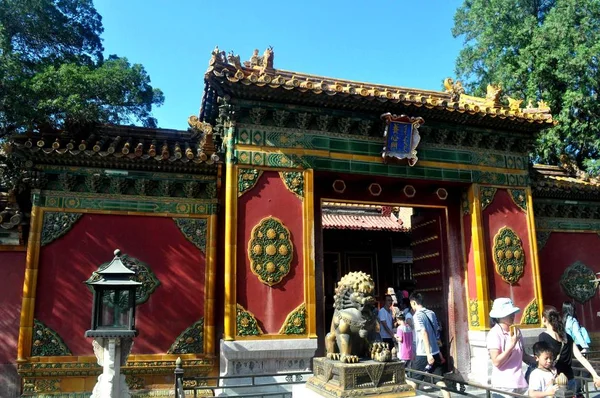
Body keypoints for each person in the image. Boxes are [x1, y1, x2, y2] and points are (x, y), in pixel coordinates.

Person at [538, 306, 600, 393]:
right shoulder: (567, 337)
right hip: (570, 379)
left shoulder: (543, 337)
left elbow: (543, 359)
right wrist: (594, 374)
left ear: (544, 319)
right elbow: (580, 357)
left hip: (554, 382)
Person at [487, 298, 534, 396]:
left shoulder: (516, 331)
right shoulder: (494, 333)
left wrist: (540, 360)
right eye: (508, 314)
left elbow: (523, 356)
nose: (512, 316)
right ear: (499, 316)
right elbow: (496, 361)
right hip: (503, 387)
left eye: (513, 313)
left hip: (519, 384)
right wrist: (511, 345)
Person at [409, 292, 449, 398]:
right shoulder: (431, 313)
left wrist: (428, 354)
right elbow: (436, 334)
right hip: (435, 352)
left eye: (411, 304)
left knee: (414, 381)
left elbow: (423, 332)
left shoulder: (417, 315)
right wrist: (439, 353)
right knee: (439, 381)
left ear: (414, 302)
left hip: (423, 353)